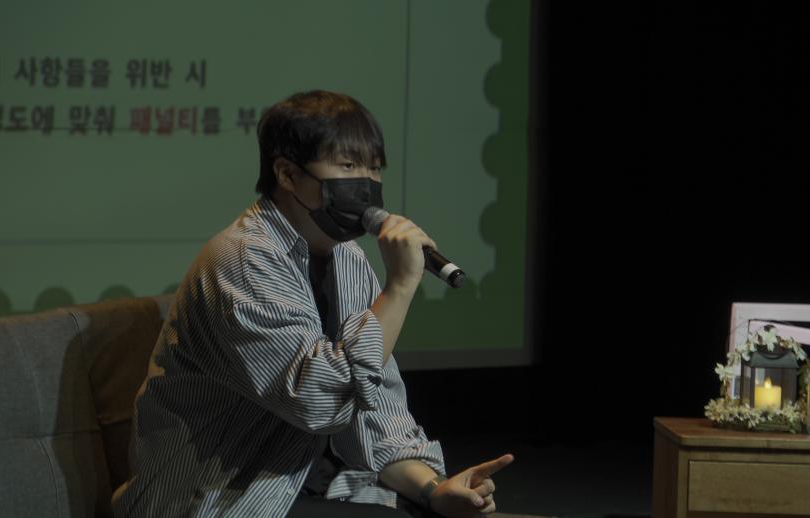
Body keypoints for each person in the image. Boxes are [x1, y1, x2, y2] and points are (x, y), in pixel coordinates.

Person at [112, 90, 513, 518]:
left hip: (310, 485)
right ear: (287, 173)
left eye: (374, 168)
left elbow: (373, 404)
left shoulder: (348, 258)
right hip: (222, 496)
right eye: (348, 166)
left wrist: (433, 490)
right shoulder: (243, 259)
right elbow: (318, 404)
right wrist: (399, 287)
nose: (366, 182)